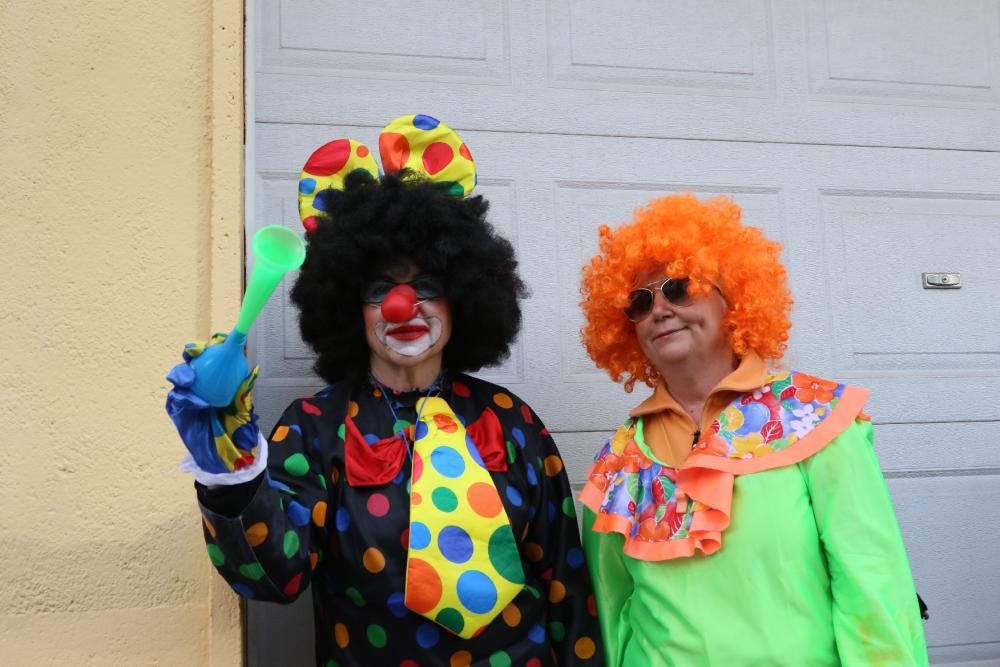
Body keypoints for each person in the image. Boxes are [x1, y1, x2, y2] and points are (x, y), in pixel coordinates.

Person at [167, 115, 603, 666]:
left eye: (426, 287)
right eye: (379, 291)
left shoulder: (511, 421)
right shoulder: (313, 426)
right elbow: (276, 579)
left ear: (462, 298)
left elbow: (565, 582)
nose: (403, 307)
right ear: (350, 306)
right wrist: (230, 472)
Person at [577, 193, 928, 666]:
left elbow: (874, 586)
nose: (659, 308)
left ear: (733, 300)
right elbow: (613, 612)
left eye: (678, 287)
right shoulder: (619, 459)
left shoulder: (816, 418)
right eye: (640, 301)